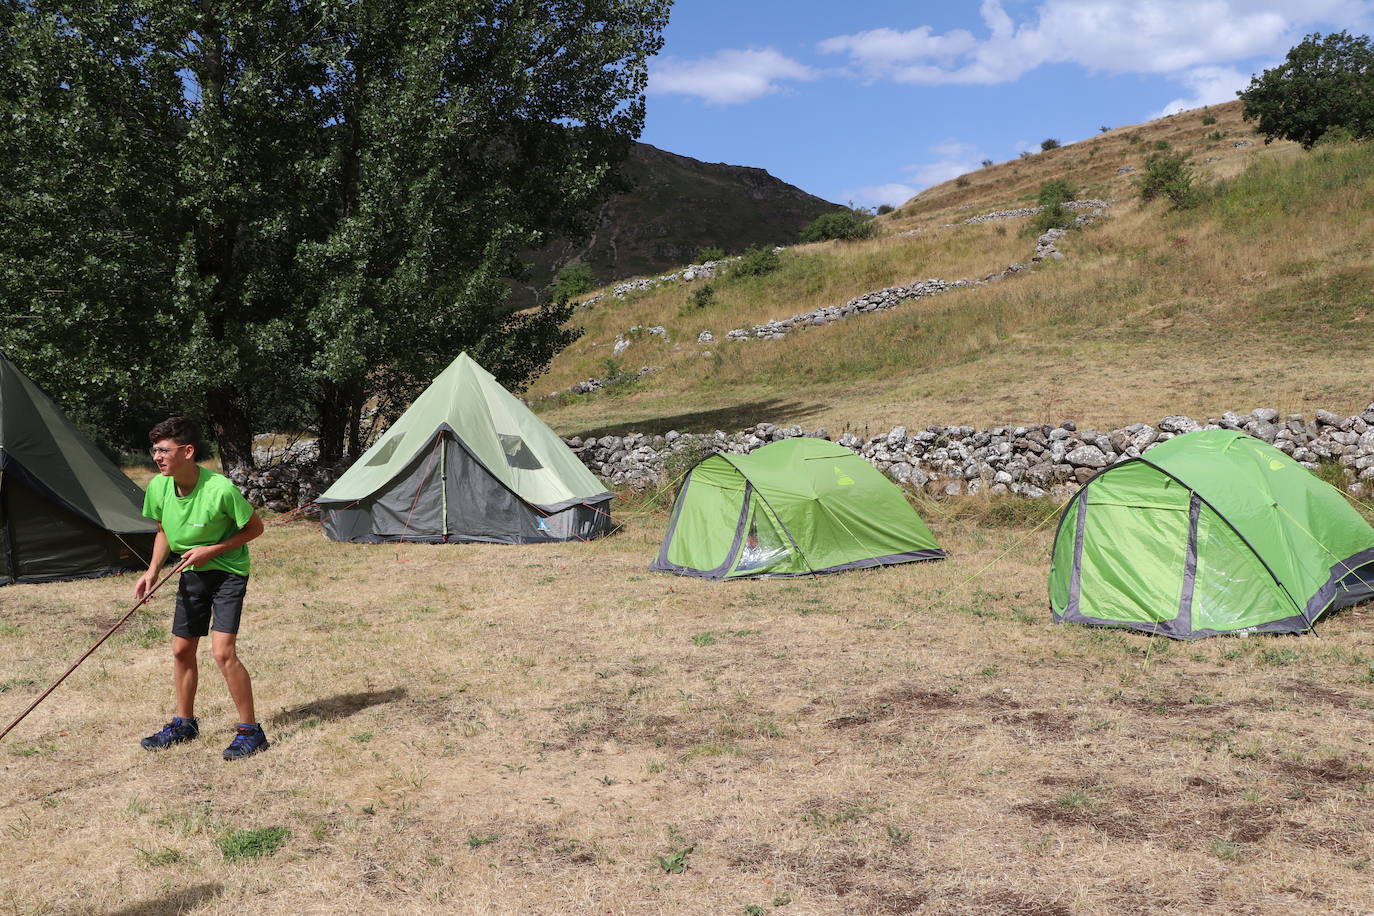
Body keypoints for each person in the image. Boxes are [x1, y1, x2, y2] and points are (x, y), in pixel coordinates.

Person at [134, 417, 269, 760]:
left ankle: (251, 731)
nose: (157, 457)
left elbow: (255, 528)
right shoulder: (158, 487)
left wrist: (212, 550)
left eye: (164, 450)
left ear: (188, 451)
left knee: (223, 653)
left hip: (227, 572)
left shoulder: (220, 489)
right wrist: (151, 572)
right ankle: (184, 723)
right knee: (181, 650)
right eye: (154, 450)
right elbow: (163, 530)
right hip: (191, 573)